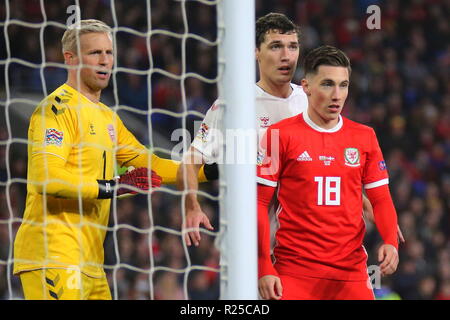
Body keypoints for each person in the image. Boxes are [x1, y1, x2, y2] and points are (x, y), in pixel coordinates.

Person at [13, 19, 213, 300]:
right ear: (70, 59)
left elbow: (152, 165)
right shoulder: (56, 110)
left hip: (92, 261)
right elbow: (48, 179)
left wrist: (212, 172)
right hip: (53, 253)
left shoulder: (108, 117)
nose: (105, 60)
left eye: (109, 52)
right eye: (95, 53)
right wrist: (111, 187)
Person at [176, 13, 403, 247]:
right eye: (276, 46)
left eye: (292, 47)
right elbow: (190, 161)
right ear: (256, 51)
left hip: (306, 244)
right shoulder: (233, 106)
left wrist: (372, 208)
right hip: (249, 243)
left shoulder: (311, 99)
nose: (286, 56)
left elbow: (335, 165)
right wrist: (191, 206)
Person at [257, 45, 399, 300]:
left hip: (351, 272)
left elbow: (380, 198)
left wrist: (390, 240)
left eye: (343, 85)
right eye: (327, 84)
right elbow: (259, 201)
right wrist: (264, 265)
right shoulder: (279, 135)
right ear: (307, 86)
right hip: (295, 271)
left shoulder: (364, 136)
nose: (337, 95)